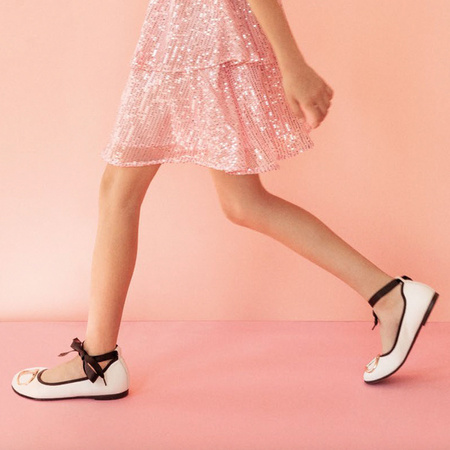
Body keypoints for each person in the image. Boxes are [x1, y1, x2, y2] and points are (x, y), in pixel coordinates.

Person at [11, 0, 439, 401]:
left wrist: (293, 63)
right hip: (197, 34)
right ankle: (389, 294)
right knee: (243, 202)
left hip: (192, 38)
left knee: (119, 192)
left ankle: (99, 363)